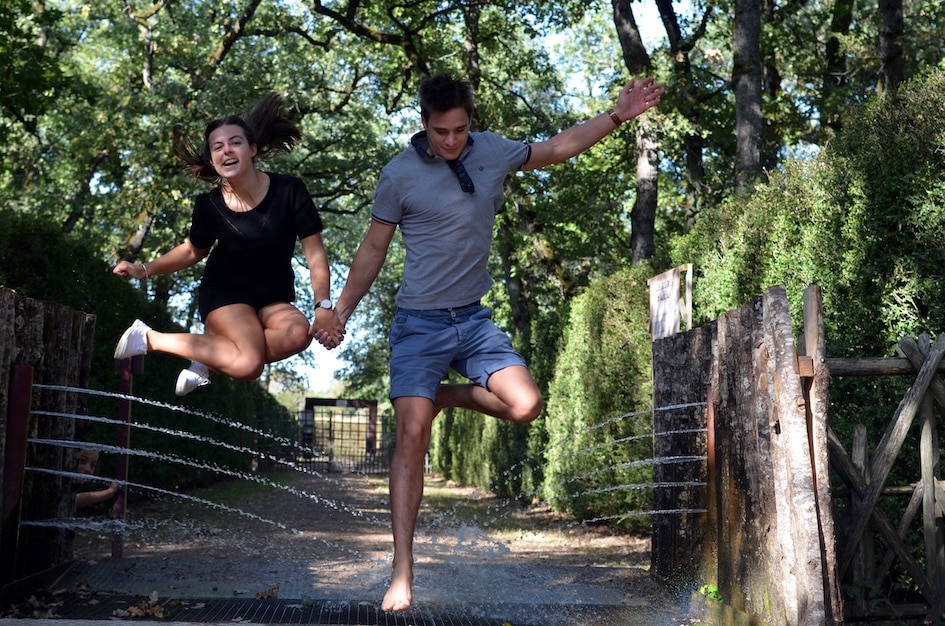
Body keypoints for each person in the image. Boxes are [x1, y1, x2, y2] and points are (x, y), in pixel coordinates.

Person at [320, 73, 664, 611]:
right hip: (418, 324)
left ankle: (440, 396)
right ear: (423, 123)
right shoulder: (399, 175)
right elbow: (372, 250)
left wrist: (617, 116)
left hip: (474, 321)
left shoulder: (494, 151)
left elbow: (555, 149)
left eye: (459, 129)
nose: (451, 140)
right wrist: (339, 312)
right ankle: (403, 570)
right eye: (440, 131)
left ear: (470, 123)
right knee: (412, 435)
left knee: (526, 404)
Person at [113, 93, 344, 395]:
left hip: (273, 298)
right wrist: (143, 269)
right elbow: (193, 250)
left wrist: (323, 306)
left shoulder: (289, 190)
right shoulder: (209, 206)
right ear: (211, 159)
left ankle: (210, 358)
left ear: (252, 148)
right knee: (248, 364)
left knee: (298, 333)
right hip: (225, 295)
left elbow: (314, 253)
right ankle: (148, 338)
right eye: (217, 147)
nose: (227, 151)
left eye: (235, 142)